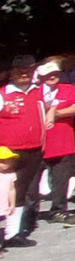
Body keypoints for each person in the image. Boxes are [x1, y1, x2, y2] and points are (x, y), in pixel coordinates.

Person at [0, 55, 48, 249]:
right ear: (12, 73)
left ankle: (12, 233)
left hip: (33, 149)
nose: (24, 74)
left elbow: (48, 110)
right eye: (20, 71)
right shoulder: (4, 94)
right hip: (7, 152)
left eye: (27, 70)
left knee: (20, 192)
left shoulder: (38, 91)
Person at [34, 59, 75, 224]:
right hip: (38, 144)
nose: (52, 77)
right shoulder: (35, 92)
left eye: (55, 74)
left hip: (62, 142)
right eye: (48, 75)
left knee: (60, 180)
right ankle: (29, 213)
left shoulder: (68, 89)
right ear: (41, 77)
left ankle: (59, 210)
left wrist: (57, 112)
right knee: (31, 182)